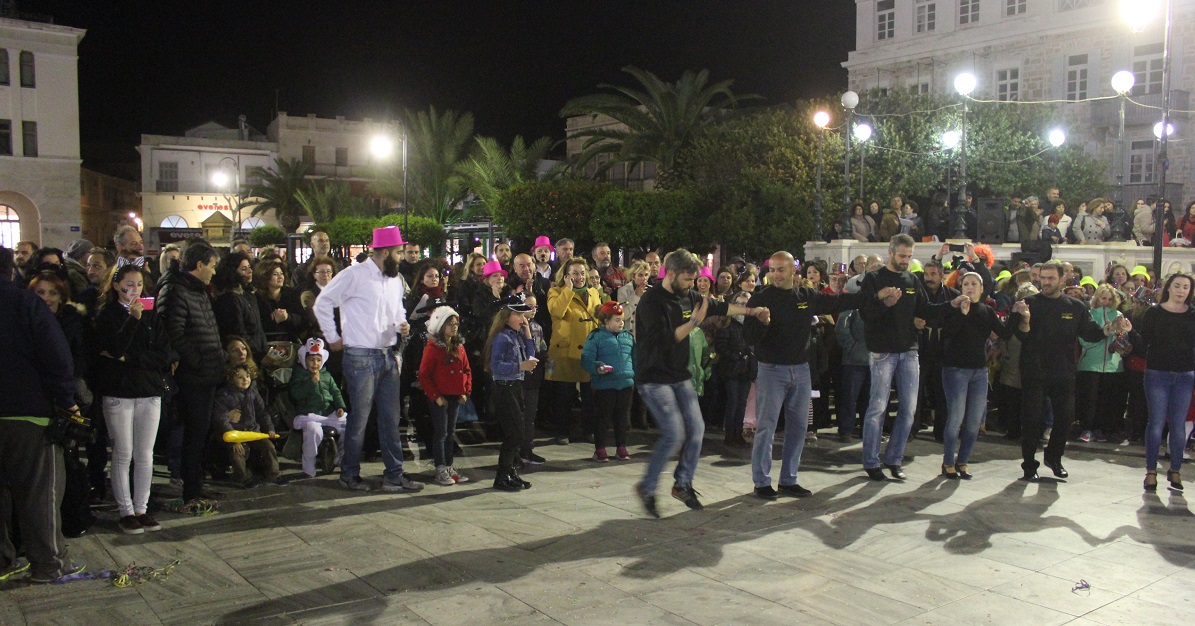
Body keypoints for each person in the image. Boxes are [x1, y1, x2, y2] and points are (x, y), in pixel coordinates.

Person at [632, 249, 769, 518]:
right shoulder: (651, 301)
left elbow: (718, 307)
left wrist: (752, 311)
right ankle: (647, 487)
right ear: (671, 273)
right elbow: (664, 340)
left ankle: (682, 483)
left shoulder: (690, 296)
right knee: (674, 434)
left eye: (694, 280)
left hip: (679, 375)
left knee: (697, 429)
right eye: (687, 279)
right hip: (654, 378)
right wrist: (694, 322)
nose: (691, 285)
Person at [313, 226, 423, 493]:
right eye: (398, 252)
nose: (401, 257)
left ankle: (394, 475)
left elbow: (398, 310)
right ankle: (349, 474)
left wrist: (402, 324)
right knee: (359, 421)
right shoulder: (354, 275)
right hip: (360, 356)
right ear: (385, 252)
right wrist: (332, 336)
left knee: (390, 419)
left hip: (387, 355)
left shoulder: (394, 280)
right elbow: (322, 303)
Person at [0, 246, 86, 583]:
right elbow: (57, 358)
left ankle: (3, 560)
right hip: (28, 415)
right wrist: (66, 401)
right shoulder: (26, 304)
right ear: (10, 271)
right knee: (39, 493)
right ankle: (49, 564)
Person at [744, 251, 859, 499]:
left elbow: (838, 302)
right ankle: (761, 482)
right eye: (772, 270)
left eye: (780, 269)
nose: (775, 274)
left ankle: (788, 479)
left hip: (801, 370)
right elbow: (749, 337)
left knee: (798, 428)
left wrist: (873, 296)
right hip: (771, 371)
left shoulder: (805, 296)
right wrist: (762, 322)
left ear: (793, 271)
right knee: (766, 428)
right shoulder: (760, 298)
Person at [858, 234, 966, 481]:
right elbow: (865, 313)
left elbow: (926, 309)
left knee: (909, 409)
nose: (906, 260)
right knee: (877, 408)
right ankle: (871, 462)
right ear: (890, 252)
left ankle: (894, 459)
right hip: (882, 352)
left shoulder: (912, 280)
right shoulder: (874, 279)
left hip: (909, 351)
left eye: (909, 256)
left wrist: (951, 305)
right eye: (902, 256)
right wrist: (884, 302)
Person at [1012, 260, 1128, 481]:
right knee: (1032, 420)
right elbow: (1019, 335)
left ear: (1062, 279)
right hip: (1034, 371)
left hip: (1063, 372)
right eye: (1043, 278)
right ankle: (1029, 464)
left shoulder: (1075, 307)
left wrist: (1109, 329)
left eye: (1051, 278)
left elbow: (1089, 333)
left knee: (1065, 418)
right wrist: (1024, 320)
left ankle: (1054, 457)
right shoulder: (1029, 303)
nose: (1046, 282)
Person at [92, 264, 173, 534]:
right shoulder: (108, 314)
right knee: (123, 453)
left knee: (145, 453)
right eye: (129, 284)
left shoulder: (152, 314)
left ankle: (142, 508)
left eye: (139, 284)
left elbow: (164, 354)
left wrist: (130, 359)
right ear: (116, 285)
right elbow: (114, 348)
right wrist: (133, 320)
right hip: (119, 392)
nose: (135, 290)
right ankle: (126, 511)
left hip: (149, 390)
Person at [157, 240, 226, 505]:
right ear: (199, 265)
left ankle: (196, 483)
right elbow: (173, 332)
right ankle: (191, 490)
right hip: (193, 375)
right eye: (212, 266)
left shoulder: (196, 289)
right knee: (193, 433)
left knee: (201, 432)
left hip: (206, 372)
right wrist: (196, 360)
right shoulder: (175, 289)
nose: (214, 272)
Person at [939, 272, 1016, 479]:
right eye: (966, 284)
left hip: (979, 371)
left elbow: (1004, 333)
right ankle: (948, 462)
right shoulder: (953, 309)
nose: (970, 287)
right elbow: (947, 335)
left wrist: (1017, 315)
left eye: (974, 284)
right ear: (961, 288)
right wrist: (961, 314)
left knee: (974, 422)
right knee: (955, 419)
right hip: (956, 370)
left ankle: (963, 461)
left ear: (982, 289)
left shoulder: (986, 311)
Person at [1131, 273, 1195, 492]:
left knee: (1178, 424)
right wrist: (1130, 333)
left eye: (1185, 287)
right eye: (1177, 286)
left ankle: (1175, 469)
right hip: (1157, 373)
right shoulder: (1154, 313)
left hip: (1185, 374)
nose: (1181, 290)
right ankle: (1151, 471)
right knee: (1156, 423)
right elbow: (1143, 342)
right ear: (1168, 288)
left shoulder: (1193, 314)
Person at [545, 257, 603, 445]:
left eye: (582, 273)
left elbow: (598, 317)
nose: (580, 277)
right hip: (564, 350)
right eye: (575, 273)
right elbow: (556, 312)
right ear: (566, 275)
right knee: (564, 395)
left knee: (589, 395)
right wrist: (568, 290)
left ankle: (589, 430)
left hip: (588, 350)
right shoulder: (555, 292)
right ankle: (562, 432)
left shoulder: (593, 292)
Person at [484, 296, 538, 491]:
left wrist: (528, 334)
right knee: (513, 433)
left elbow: (531, 355)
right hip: (504, 387)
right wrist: (520, 366)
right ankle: (502, 475)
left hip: (515, 386)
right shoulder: (502, 338)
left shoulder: (515, 335)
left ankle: (509, 472)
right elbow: (496, 366)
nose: (523, 318)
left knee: (517, 432)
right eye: (518, 314)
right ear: (507, 316)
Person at [419, 306, 473, 486]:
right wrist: (435, 396)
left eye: (456, 323)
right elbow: (424, 374)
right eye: (450, 324)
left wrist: (465, 391)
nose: (454, 327)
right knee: (441, 432)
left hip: (455, 395)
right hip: (440, 397)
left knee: (450, 433)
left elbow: (467, 370)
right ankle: (440, 467)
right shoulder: (433, 348)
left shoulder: (459, 347)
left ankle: (449, 465)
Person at [582, 301, 636, 462]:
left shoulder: (628, 337)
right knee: (603, 418)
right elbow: (586, 359)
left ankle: (621, 446)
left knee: (622, 418)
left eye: (622, 320)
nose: (621, 323)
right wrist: (597, 367)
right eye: (617, 320)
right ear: (606, 321)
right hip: (604, 385)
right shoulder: (596, 337)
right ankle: (600, 449)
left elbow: (635, 359)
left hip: (625, 384)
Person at [289, 338, 348, 478]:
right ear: (304, 360)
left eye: (318, 360)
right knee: (314, 431)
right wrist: (311, 383)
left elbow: (335, 392)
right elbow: (296, 394)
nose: (315, 363)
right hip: (308, 415)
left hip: (327, 413)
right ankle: (309, 466)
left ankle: (341, 458)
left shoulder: (326, 375)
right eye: (311, 360)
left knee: (348, 425)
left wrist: (340, 406)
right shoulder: (299, 375)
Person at [212, 364, 279, 487]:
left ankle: (273, 474)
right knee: (237, 452)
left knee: (268, 446)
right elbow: (221, 419)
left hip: (252, 431)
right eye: (240, 377)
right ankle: (241, 477)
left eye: (247, 376)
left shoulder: (253, 392)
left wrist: (269, 428)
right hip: (235, 433)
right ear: (231, 379)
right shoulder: (224, 395)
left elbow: (262, 413)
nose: (245, 380)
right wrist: (234, 439)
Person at [713, 290, 756, 447]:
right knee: (733, 401)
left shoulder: (751, 326)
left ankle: (738, 434)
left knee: (742, 403)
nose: (743, 307)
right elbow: (720, 346)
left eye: (746, 304)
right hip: (731, 369)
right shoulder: (728, 325)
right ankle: (730, 435)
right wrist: (736, 355)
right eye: (740, 304)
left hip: (746, 369)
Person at [213, 252, 267, 361]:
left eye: (249, 267)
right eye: (243, 269)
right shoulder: (230, 299)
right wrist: (258, 355)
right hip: (245, 356)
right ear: (232, 272)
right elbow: (238, 332)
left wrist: (264, 351)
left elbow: (258, 328)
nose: (250, 271)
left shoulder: (249, 294)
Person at [255, 259, 307, 343]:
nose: (280, 277)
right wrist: (274, 320)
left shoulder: (292, 294)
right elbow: (257, 325)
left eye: (281, 273)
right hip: (266, 341)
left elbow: (303, 321)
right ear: (265, 277)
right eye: (275, 274)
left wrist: (287, 317)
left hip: (291, 341)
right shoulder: (257, 298)